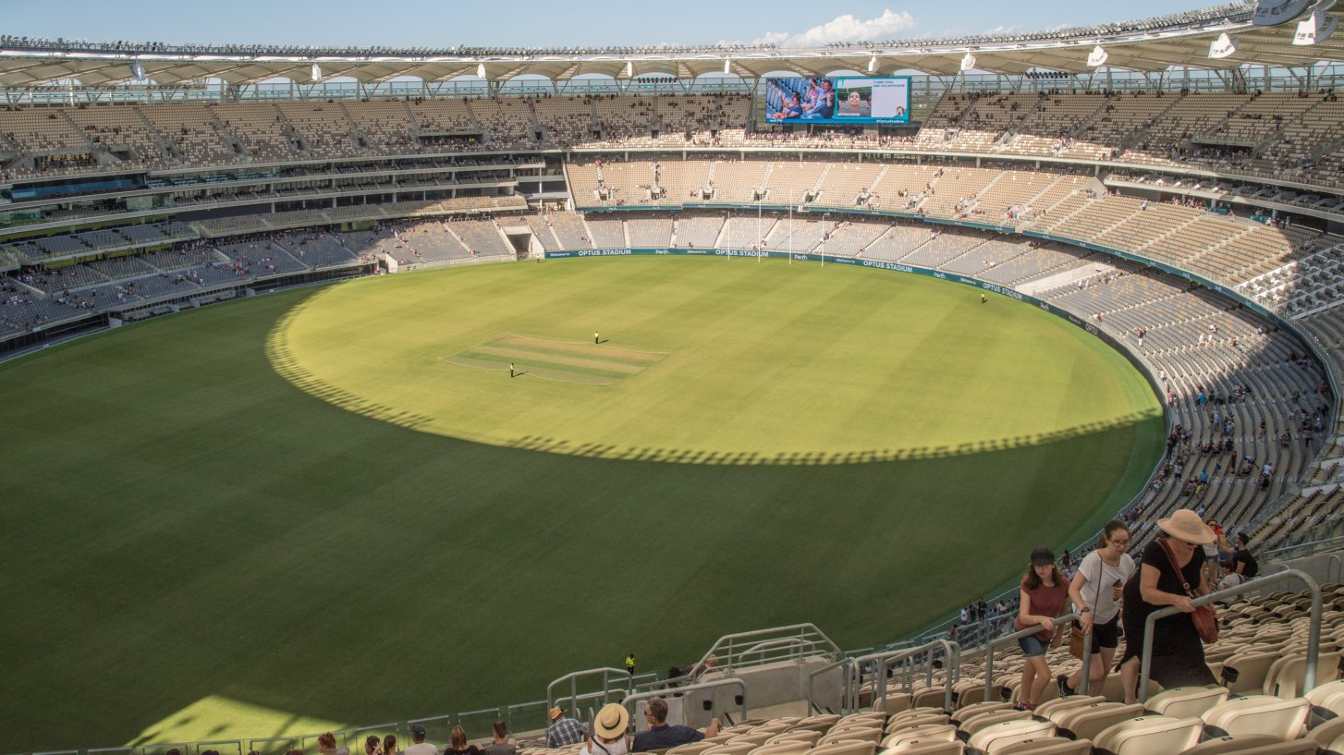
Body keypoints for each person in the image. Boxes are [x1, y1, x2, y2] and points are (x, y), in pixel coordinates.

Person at [1118, 509, 1217, 703]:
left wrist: (1208, 602)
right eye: (1189, 540)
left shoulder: (1197, 553)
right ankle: (1130, 700)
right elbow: (1147, 592)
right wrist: (1175, 600)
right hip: (1142, 608)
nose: (1194, 545)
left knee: (1191, 648)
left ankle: (1202, 688)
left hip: (1175, 603)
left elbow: (1197, 582)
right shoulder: (1156, 551)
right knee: (1140, 650)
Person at [1058, 521, 1135, 697]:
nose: (1121, 547)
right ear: (1107, 540)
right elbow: (1073, 589)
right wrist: (1084, 611)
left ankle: (1092, 702)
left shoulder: (1128, 562)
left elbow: (1128, 584)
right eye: (1116, 542)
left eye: (1125, 542)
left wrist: (1122, 593)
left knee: (1105, 671)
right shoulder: (1093, 560)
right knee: (1097, 671)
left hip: (1109, 617)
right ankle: (1067, 685)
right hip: (1087, 619)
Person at [1014, 546, 1069, 711]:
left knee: (1030, 668)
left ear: (1053, 565)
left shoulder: (1064, 584)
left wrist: (1059, 634)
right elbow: (1023, 616)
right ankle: (1031, 706)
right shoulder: (1028, 583)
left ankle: (1021, 702)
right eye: (1038, 566)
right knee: (1045, 675)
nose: (1041, 569)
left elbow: (1063, 611)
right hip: (1027, 631)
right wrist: (1041, 619)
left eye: (1045, 565)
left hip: (1045, 632)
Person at [632, 697, 721, 752]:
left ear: (653, 718)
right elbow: (710, 738)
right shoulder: (683, 732)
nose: (645, 715)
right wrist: (715, 721)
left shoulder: (640, 738)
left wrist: (649, 732)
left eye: (645, 713)